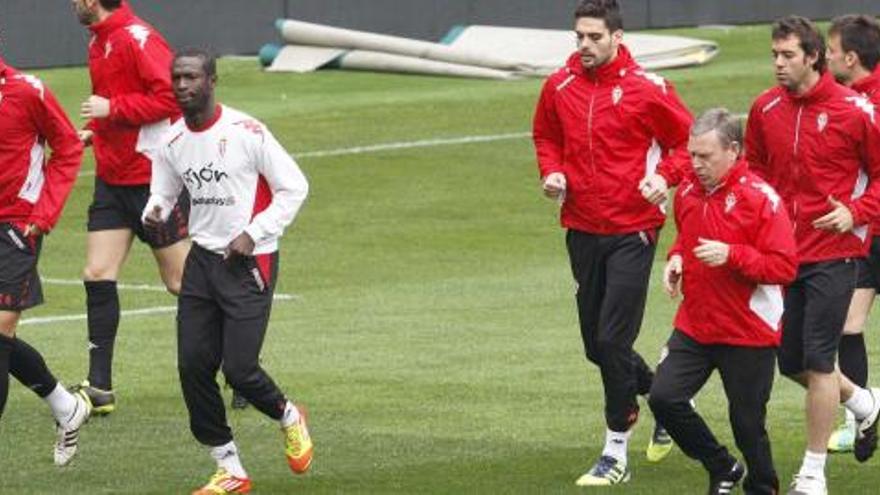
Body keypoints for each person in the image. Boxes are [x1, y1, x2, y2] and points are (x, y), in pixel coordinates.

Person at [531, 0, 693, 485]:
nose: (584, 45)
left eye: (594, 37)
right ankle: (664, 398)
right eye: (579, 36)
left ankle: (615, 450)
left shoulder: (648, 90)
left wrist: (664, 177)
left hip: (634, 227)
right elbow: (545, 135)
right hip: (581, 226)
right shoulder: (558, 86)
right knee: (596, 346)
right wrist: (552, 171)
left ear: (617, 38)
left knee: (612, 338)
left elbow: (686, 144)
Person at [143, 48, 311, 494]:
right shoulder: (172, 140)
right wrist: (155, 210)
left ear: (212, 81)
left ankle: (289, 416)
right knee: (193, 366)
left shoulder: (246, 132)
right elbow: (165, 187)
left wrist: (254, 233)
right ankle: (230, 468)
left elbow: (295, 186)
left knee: (239, 370)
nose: (182, 85)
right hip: (202, 260)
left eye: (191, 77)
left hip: (249, 262)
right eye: (177, 77)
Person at [745, 15, 880, 494]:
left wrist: (856, 213)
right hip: (784, 255)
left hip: (837, 254)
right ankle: (864, 403)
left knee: (820, 360)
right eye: (774, 55)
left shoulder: (855, 111)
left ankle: (812, 472)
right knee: (791, 361)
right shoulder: (763, 110)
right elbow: (754, 172)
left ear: (814, 56)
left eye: (787, 55)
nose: (778, 64)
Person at [649, 108, 797, 495]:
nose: (694, 164)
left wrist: (733, 255)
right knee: (664, 398)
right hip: (696, 325)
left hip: (747, 331)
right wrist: (677, 259)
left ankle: (763, 487)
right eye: (692, 154)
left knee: (747, 424)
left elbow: (784, 267)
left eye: (704, 156)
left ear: (733, 151)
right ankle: (722, 467)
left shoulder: (761, 199)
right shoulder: (686, 192)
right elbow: (687, 239)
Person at [70, 0, 190, 414]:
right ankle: (99, 386)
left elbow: (174, 98)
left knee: (182, 282)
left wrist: (112, 110)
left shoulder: (138, 38)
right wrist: (93, 129)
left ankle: (239, 364)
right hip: (112, 180)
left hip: (152, 182)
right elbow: (111, 101)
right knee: (97, 273)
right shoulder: (98, 41)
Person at [0, 54, 92, 466]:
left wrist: (43, 215)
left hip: (16, 228)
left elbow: (69, 147)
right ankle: (65, 405)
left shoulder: (26, 91)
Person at [824, 13, 880, 454]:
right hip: (864, 236)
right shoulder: (839, 97)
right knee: (848, 326)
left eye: (829, 51)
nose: (824, 58)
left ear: (851, 57)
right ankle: (863, 415)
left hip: (866, 222)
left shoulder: (869, 106)